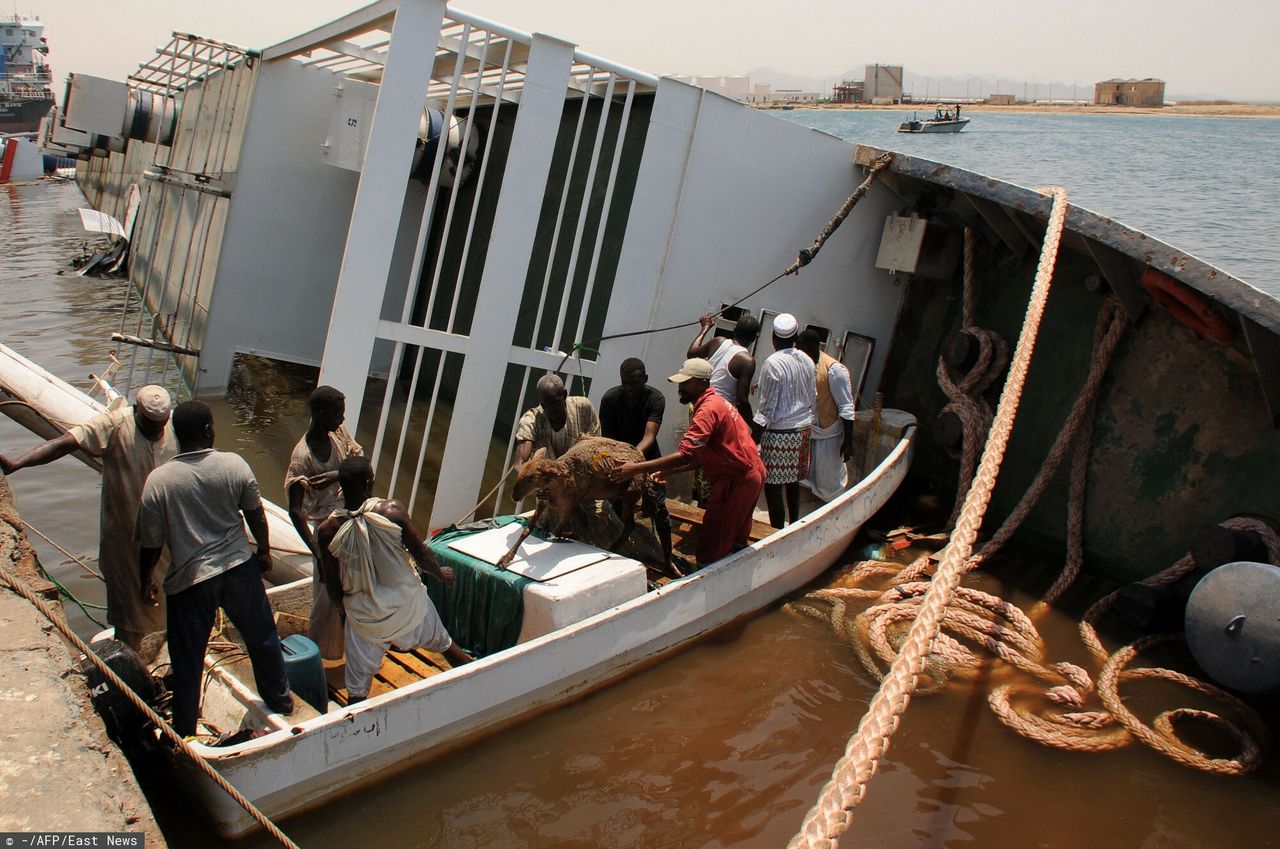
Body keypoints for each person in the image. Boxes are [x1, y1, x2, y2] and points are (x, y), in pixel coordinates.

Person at [136, 401, 291, 736]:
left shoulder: (159, 482)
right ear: (208, 429)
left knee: (188, 658)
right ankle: (281, 702)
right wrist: (263, 552)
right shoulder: (233, 465)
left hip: (191, 581)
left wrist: (146, 578)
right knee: (263, 639)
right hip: (238, 569)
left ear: (175, 433)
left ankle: (185, 729)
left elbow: (150, 542)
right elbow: (255, 514)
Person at [0, 385, 177, 653]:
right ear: (135, 411)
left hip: (165, 537)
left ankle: (163, 651)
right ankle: (129, 659)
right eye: (148, 424)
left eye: (159, 425)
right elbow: (63, 444)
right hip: (124, 535)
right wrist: (18, 464)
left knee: (168, 600)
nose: (155, 431)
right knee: (127, 606)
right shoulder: (115, 424)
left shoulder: (176, 427)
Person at [315, 457, 473, 703]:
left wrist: (347, 616)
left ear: (341, 487)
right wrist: (440, 574)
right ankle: (478, 679)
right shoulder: (392, 511)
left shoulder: (327, 531)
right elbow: (422, 555)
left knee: (357, 688)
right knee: (445, 645)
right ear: (369, 483)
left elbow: (332, 584)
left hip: (366, 618)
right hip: (407, 607)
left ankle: (356, 726)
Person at [609, 358, 764, 567]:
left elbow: (686, 454)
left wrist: (635, 468)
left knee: (711, 550)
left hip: (736, 481)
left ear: (702, 383)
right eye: (680, 383)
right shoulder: (718, 402)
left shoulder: (707, 410)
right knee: (734, 541)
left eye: (686, 383)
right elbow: (701, 456)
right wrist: (668, 473)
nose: (680, 388)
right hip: (750, 475)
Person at [284, 385, 363, 662]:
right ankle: (322, 654)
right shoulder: (302, 458)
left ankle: (355, 647)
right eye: (337, 415)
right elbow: (295, 511)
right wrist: (316, 551)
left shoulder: (338, 434)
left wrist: (334, 476)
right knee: (328, 597)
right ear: (319, 414)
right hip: (327, 530)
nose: (342, 421)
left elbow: (359, 465)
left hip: (350, 517)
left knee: (357, 588)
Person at [598, 357, 673, 563]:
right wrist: (621, 465)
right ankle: (620, 553)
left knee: (658, 508)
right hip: (618, 462)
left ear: (645, 379)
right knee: (615, 507)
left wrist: (633, 463)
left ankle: (668, 558)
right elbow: (608, 439)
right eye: (626, 383)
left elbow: (649, 436)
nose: (630, 388)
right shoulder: (610, 399)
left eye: (635, 383)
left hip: (647, 460)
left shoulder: (655, 399)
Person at [751, 313, 816, 528]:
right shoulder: (807, 359)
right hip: (803, 428)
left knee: (772, 484)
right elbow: (812, 395)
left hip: (780, 432)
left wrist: (752, 439)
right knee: (793, 481)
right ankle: (795, 522)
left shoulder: (773, 363)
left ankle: (777, 529)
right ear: (796, 336)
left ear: (774, 338)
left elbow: (767, 410)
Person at [796, 329, 856, 501]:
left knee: (828, 478)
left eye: (801, 349)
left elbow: (846, 407)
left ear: (811, 348)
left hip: (828, 434)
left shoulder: (834, 370)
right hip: (807, 429)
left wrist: (848, 441)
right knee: (804, 474)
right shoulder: (803, 365)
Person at [513, 374, 599, 468]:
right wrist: (522, 471)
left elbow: (596, 447)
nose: (550, 409)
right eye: (545, 405)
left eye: (554, 403)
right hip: (544, 477)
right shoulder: (531, 420)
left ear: (564, 395)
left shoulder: (583, 408)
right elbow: (519, 463)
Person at [687, 313, 759, 423]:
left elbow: (691, 353)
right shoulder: (747, 361)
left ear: (734, 330)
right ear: (754, 338)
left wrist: (705, 328)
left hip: (699, 404)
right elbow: (741, 401)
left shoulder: (718, 341)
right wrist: (753, 426)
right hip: (717, 412)